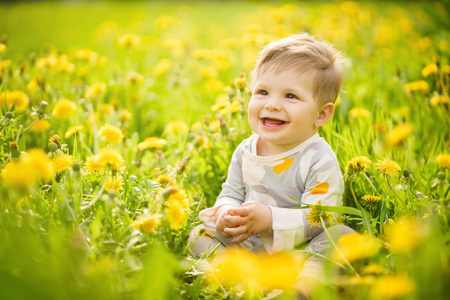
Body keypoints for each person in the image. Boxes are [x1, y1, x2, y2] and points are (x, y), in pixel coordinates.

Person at [189, 33, 353, 296]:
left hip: (299, 253)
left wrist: (269, 220)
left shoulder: (318, 158)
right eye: (262, 92)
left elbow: (321, 217)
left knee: (340, 235)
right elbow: (231, 192)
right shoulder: (246, 150)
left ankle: (300, 291)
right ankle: (235, 280)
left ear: (321, 114)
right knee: (200, 232)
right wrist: (225, 213)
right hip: (250, 249)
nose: (272, 104)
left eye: (290, 96)